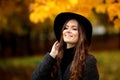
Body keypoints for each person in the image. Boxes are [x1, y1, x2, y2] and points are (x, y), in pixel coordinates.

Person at [32, 12, 99, 80]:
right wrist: (51, 55)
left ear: (81, 35)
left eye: (74, 29)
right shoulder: (55, 59)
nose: (68, 31)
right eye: (65, 28)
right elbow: (36, 78)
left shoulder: (88, 61)